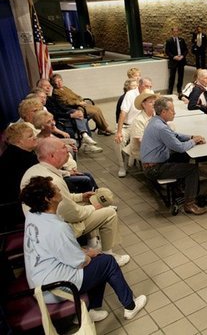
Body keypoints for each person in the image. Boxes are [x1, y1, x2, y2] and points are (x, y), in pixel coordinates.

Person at [20, 176, 146, 321]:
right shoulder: (57, 228)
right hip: (55, 289)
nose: (59, 189)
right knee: (108, 262)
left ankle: (88, 310)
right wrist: (90, 253)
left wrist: (88, 253)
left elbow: (60, 251)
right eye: (55, 189)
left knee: (99, 262)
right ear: (49, 199)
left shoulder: (33, 216)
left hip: (39, 279)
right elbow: (80, 262)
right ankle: (130, 306)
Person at [21, 137, 129, 267]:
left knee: (87, 204)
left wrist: (81, 197)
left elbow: (63, 199)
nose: (67, 149)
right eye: (63, 147)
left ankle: (92, 242)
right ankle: (109, 255)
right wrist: (94, 207)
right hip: (57, 231)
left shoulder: (34, 170)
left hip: (40, 225)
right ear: (52, 155)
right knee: (109, 212)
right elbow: (74, 214)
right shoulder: (53, 181)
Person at [140, 97, 207, 215]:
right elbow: (179, 147)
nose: (175, 112)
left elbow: (174, 135)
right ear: (164, 112)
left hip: (153, 162)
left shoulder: (155, 121)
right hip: (154, 168)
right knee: (192, 170)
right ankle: (189, 204)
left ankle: (180, 188)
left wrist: (191, 137)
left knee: (184, 157)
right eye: (172, 110)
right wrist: (194, 141)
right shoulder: (161, 128)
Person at [0, 123, 38, 229]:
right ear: (18, 141)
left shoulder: (18, 153)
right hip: (17, 207)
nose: (35, 137)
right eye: (30, 136)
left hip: (20, 202)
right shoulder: (22, 159)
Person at [50, 74, 114, 135]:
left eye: (60, 80)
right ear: (53, 84)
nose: (59, 82)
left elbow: (74, 95)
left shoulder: (64, 88)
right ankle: (105, 128)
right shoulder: (56, 92)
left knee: (97, 108)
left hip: (78, 104)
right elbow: (67, 102)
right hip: (72, 108)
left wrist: (80, 99)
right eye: (57, 81)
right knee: (94, 112)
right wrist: (79, 102)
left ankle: (102, 129)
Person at [115, 77, 153, 178]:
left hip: (143, 124)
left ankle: (133, 153)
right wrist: (119, 131)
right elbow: (123, 113)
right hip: (128, 125)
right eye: (146, 86)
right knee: (119, 140)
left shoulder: (150, 93)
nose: (149, 88)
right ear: (140, 85)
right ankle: (122, 166)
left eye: (150, 86)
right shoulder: (130, 94)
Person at [125, 90, 158, 162]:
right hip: (141, 150)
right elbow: (141, 141)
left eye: (154, 102)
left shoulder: (155, 115)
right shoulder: (139, 120)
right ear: (143, 104)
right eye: (150, 102)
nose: (154, 104)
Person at [165, 27, 188, 95]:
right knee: (172, 76)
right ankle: (170, 91)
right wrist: (174, 57)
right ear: (172, 32)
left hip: (181, 60)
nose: (176, 33)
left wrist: (182, 56)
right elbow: (167, 51)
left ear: (178, 32)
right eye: (174, 31)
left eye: (177, 31)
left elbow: (186, 50)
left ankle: (179, 89)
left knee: (181, 76)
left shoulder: (182, 40)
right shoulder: (169, 41)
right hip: (173, 61)